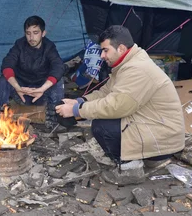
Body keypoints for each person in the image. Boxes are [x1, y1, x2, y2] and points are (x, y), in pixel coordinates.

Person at [56, 25, 185, 185]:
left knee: (102, 126)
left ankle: (131, 169)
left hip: (163, 136)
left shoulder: (137, 70)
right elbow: (106, 92)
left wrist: (76, 111)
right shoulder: (127, 64)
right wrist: (80, 101)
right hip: (154, 128)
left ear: (121, 48)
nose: (102, 55)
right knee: (103, 120)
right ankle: (147, 158)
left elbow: (116, 106)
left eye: (105, 50)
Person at [0, 16, 65, 130]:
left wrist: (42, 89)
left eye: (35, 33)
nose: (31, 37)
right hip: (21, 91)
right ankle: (0, 116)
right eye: (28, 33)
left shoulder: (49, 47)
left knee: (58, 81)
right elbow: (7, 65)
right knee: (3, 80)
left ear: (43, 33)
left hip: (41, 92)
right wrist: (17, 87)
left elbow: (58, 67)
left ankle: (54, 119)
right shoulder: (19, 45)